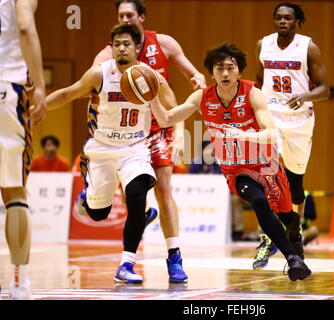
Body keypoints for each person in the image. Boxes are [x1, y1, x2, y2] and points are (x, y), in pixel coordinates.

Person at [150, 43, 311, 281]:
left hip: (266, 163)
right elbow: (166, 118)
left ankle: (295, 237)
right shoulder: (202, 97)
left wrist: (245, 136)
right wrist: (150, 97)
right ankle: (293, 259)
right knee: (258, 201)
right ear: (211, 73)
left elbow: (271, 133)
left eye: (230, 68)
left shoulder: (252, 93)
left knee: (288, 215)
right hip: (236, 169)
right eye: (219, 68)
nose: (224, 73)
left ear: (239, 71)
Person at [91, 0, 206, 283]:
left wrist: (199, 79)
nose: (126, 18)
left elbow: (193, 74)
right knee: (133, 197)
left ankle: (174, 257)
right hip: (127, 133)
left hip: (161, 124)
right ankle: (139, 219)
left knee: (165, 189)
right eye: (121, 15)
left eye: (130, 14)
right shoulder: (108, 52)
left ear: (142, 17)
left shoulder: (164, 43)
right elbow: (91, 88)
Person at [42, 24, 166, 284]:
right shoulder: (99, 74)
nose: (121, 48)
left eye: (127, 44)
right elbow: (67, 94)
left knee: (136, 197)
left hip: (135, 148)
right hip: (102, 150)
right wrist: (38, 108)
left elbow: (171, 106)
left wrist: (183, 125)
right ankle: (87, 196)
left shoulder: (149, 76)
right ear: (111, 47)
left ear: (137, 48)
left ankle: (126, 264)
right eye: (117, 44)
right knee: (98, 214)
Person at [253, 2, 330, 269]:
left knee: (296, 186)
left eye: (288, 18)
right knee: (268, 177)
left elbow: (325, 90)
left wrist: (305, 96)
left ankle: (294, 235)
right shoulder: (263, 44)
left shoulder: (309, 47)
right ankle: (268, 237)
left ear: (297, 21)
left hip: (299, 122)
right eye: (278, 17)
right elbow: (259, 80)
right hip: (271, 118)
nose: (282, 21)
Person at [0, 0, 47, 299]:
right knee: (15, 191)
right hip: (6, 86)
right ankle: (19, 284)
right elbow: (25, 25)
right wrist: (40, 84)